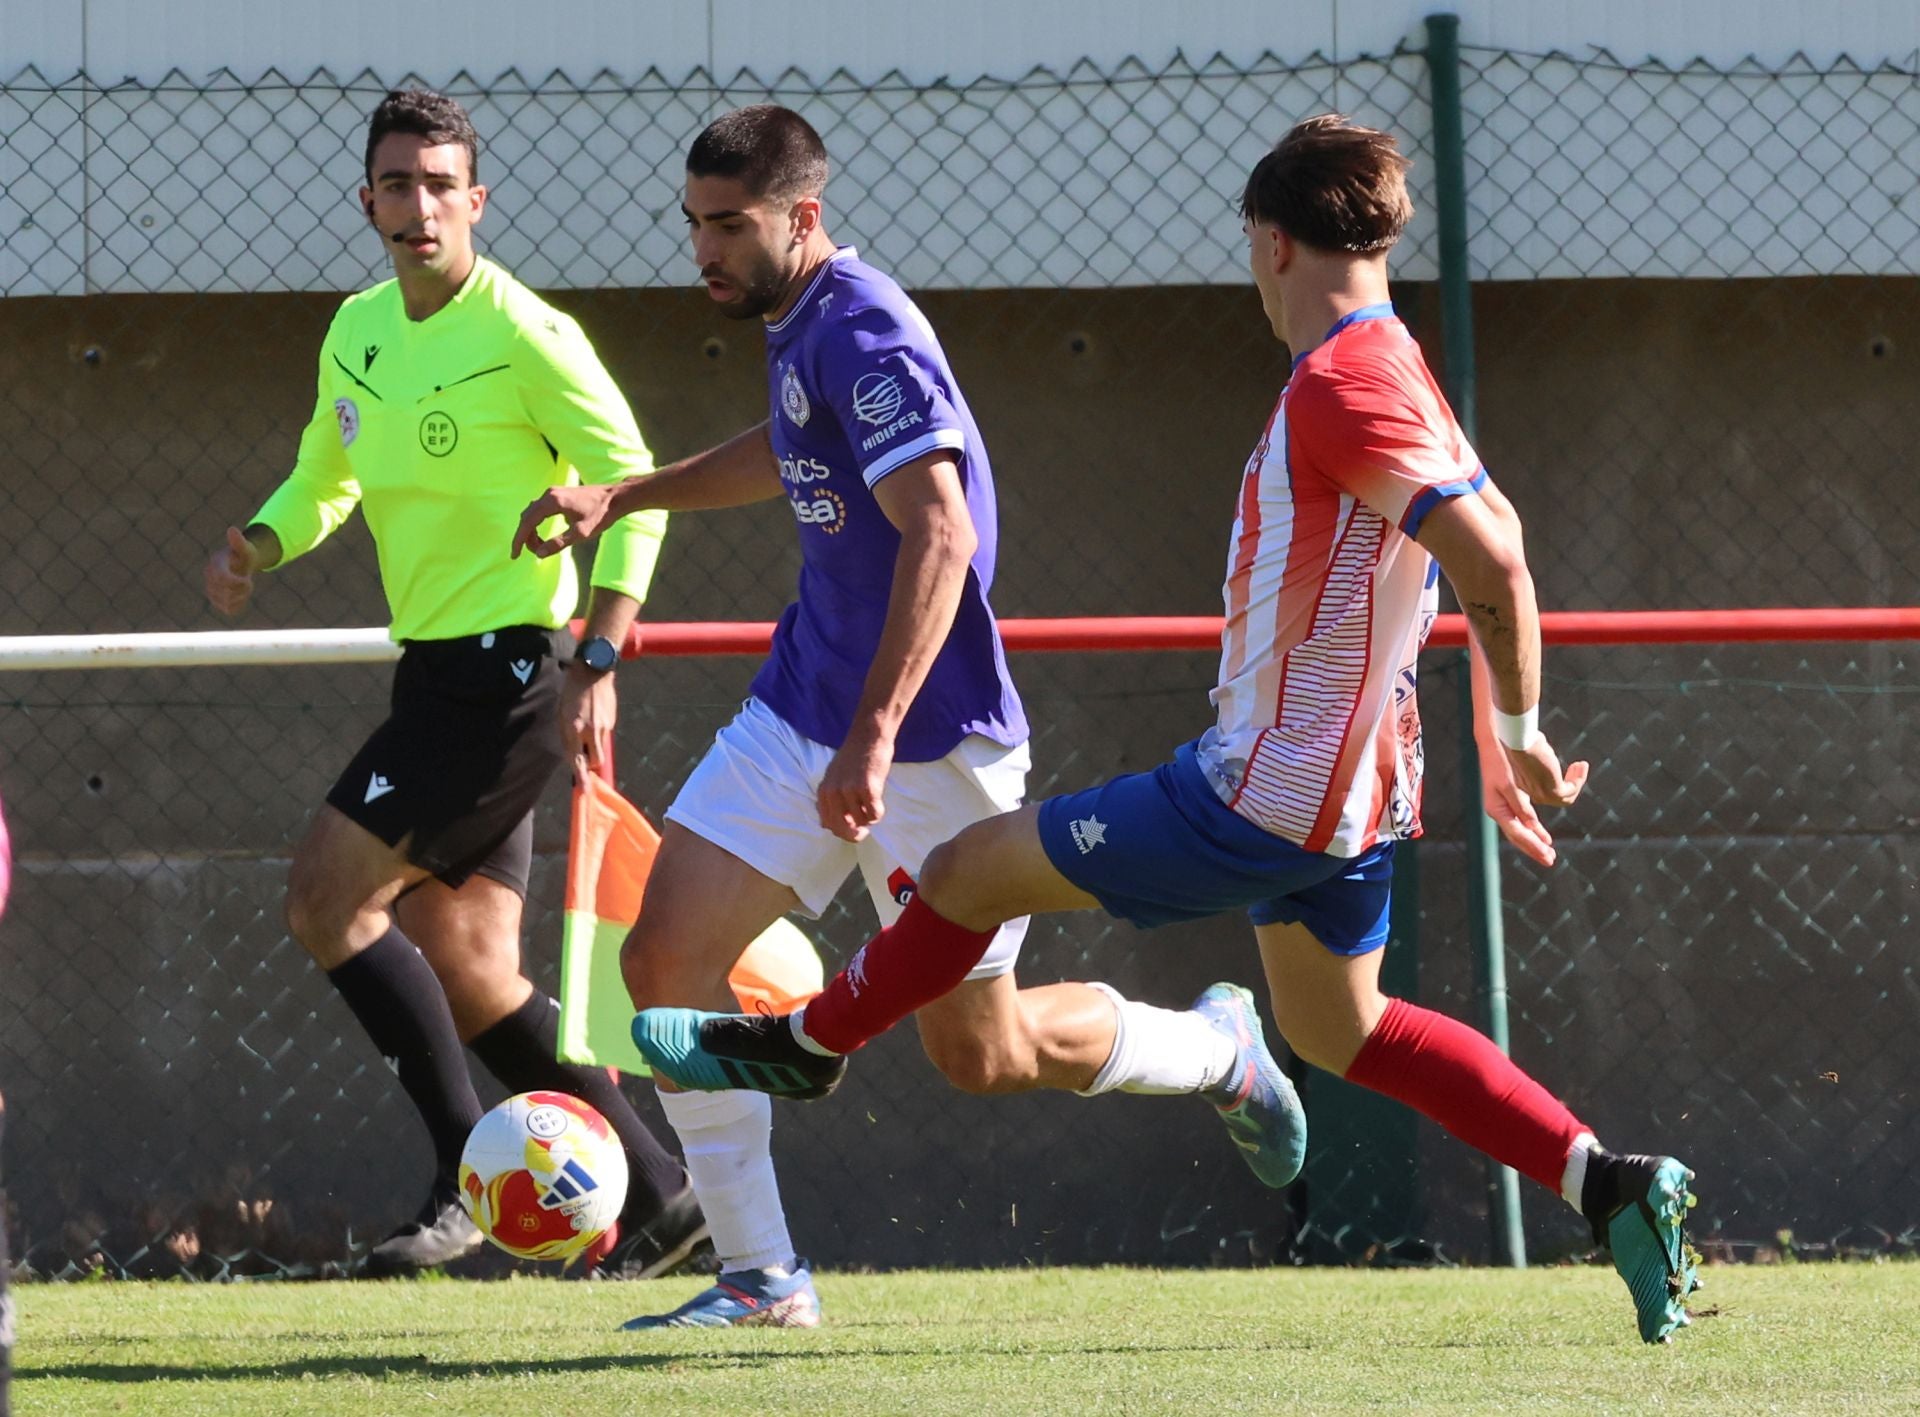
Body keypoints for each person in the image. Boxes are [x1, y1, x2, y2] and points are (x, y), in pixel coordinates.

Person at [628, 115, 1701, 1345]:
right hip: (1352, 803)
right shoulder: (1391, 358)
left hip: (1256, 794)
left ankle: (809, 1045)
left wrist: (1512, 725)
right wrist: (1492, 720)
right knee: (1341, 1030)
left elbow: (1493, 559)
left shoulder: (1342, 379)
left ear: (1271, 242)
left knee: (969, 873)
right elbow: (1485, 532)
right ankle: (1609, 1181)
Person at [512, 104, 1303, 1330]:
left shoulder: (865, 327)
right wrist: (626, 490)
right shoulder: (794, 325)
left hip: (927, 742)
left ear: (804, 217)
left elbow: (944, 532)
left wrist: (875, 734)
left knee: (980, 1056)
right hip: (800, 707)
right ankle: (761, 1280)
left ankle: (1215, 1050)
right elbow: (788, 451)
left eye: (730, 226)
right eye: (695, 226)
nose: (705, 250)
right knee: (662, 960)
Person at [202, 88, 706, 1280]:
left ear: (475, 201)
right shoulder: (358, 332)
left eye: (440, 185)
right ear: (368, 200)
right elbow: (325, 476)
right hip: (434, 674)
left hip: (513, 674)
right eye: (396, 184)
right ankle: (663, 1193)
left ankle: (458, 1175)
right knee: (476, 969)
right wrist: (260, 544)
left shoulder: (527, 333)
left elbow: (632, 485)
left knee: (326, 898)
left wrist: (602, 650)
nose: (418, 205)